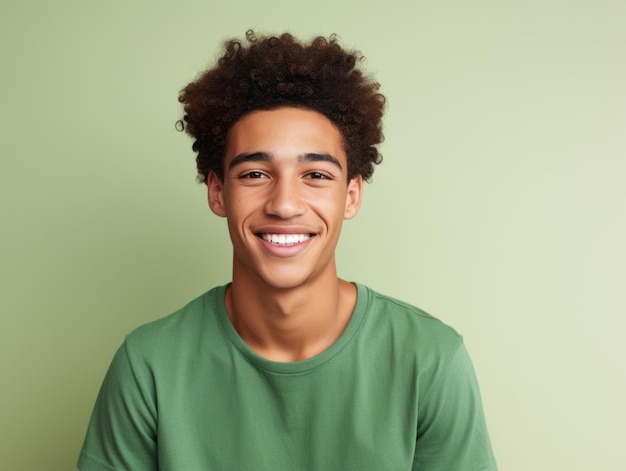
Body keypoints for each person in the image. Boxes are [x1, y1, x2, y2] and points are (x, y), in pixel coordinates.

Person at [78, 31, 497, 470]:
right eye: (255, 174)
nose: (284, 204)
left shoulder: (430, 360)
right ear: (217, 192)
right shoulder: (148, 365)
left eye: (315, 175)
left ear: (351, 196)